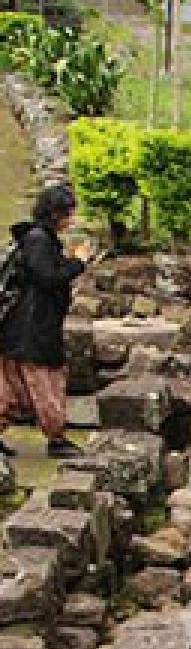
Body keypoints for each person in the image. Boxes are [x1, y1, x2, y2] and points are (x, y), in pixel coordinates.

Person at [0, 183, 93, 459]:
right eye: (68, 213)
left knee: (12, 384)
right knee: (45, 382)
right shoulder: (39, 240)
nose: (72, 219)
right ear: (56, 213)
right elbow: (48, 277)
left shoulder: (37, 239)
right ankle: (56, 436)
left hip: (21, 326)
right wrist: (78, 262)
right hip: (32, 327)